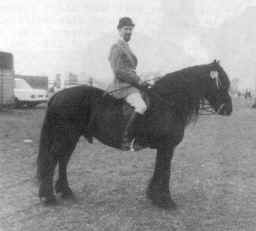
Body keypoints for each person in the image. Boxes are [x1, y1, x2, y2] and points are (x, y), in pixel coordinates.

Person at [107, 17, 147, 150]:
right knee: (141, 106)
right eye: (126, 29)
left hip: (131, 85)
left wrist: (140, 79)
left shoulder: (126, 47)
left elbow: (129, 69)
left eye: (130, 29)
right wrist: (137, 80)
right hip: (122, 86)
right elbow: (118, 70)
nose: (129, 32)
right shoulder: (116, 47)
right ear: (119, 30)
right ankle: (126, 139)